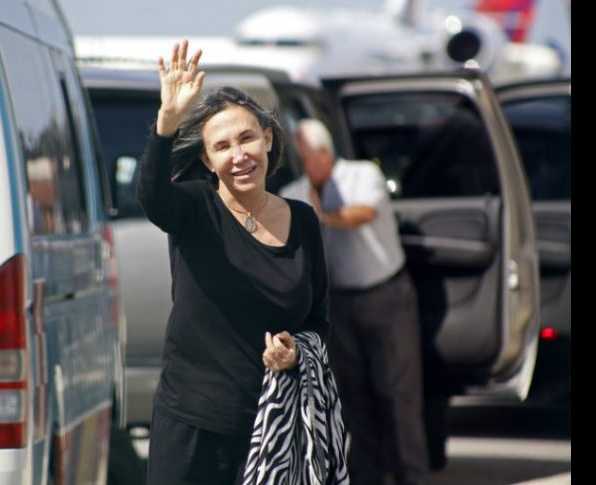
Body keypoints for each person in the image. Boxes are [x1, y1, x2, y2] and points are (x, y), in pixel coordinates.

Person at [138, 41, 337, 485]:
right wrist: (167, 124)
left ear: (268, 139)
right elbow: (151, 195)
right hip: (192, 419)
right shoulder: (193, 208)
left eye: (247, 138)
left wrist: (294, 351)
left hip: (272, 422)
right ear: (208, 160)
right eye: (222, 146)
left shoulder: (302, 219)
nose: (239, 154)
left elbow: (318, 319)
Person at [281, 119, 429, 485]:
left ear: (322, 153)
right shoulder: (296, 191)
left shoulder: (362, 175)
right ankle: (366, 475)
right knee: (353, 396)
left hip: (386, 295)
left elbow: (364, 214)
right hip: (341, 303)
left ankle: (412, 475)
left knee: (399, 395)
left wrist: (321, 218)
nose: (302, 167)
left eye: (305, 158)